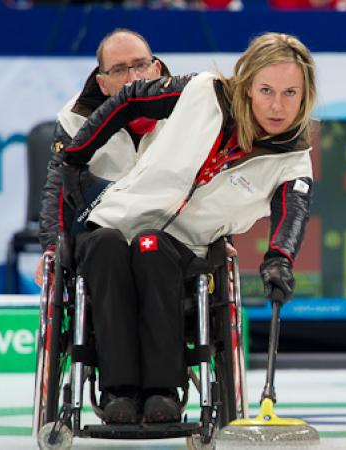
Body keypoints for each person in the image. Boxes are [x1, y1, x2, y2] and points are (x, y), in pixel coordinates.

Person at [61, 32, 315, 424]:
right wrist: (77, 155)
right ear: (247, 87)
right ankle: (118, 390)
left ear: (305, 96)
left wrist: (279, 259)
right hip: (118, 217)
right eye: (266, 90)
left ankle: (163, 390)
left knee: (153, 248)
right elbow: (129, 100)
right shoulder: (204, 91)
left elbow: (292, 214)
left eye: (290, 93)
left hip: (185, 249)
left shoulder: (293, 161)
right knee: (106, 247)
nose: (277, 105)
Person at [35, 29, 168, 286]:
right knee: (107, 244)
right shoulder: (76, 119)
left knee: (154, 246)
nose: (133, 79)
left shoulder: (187, 109)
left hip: (169, 233)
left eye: (141, 65)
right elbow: (57, 189)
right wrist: (52, 248)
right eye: (119, 70)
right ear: (102, 83)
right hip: (102, 234)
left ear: (156, 69)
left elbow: (208, 179)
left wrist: (221, 241)